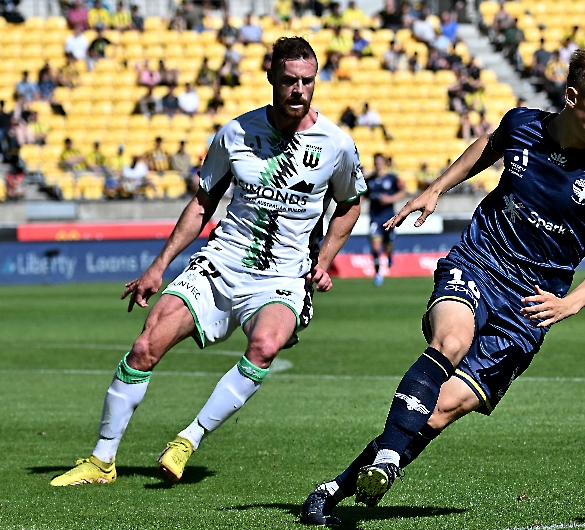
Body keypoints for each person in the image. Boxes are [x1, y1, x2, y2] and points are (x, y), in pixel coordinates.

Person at [300, 47, 585, 526]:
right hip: (480, 262)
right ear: (571, 97)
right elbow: (488, 144)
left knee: (437, 413)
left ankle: (333, 488)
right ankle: (387, 462)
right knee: (451, 341)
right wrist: (438, 187)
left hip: (531, 304)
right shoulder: (523, 124)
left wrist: (571, 303)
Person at [49, 36, 367, 488]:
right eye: (290, 80)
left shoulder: (336, 144)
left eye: (308, 81)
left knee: (265, 346)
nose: (299, 90)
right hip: (221, 262)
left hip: (281, 277)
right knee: (144, 346)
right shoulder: (235, 133)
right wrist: (158, 266)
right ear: (271, 77)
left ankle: (188, 439)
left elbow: (349, 205)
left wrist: (325, 260)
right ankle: (102, 461)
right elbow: (203, 204)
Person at [365, 153, 405, 286]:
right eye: (376, 162)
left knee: (388, 246)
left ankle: (388, 256)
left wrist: (391, 199)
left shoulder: (392, 179)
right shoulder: (369, 180)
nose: (378, 165)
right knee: (375, 247)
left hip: (389, 218)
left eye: (380, 162)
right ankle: (377, 274)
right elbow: (362, 195)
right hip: (375, 218)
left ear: (384, 163)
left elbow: (403, 190)